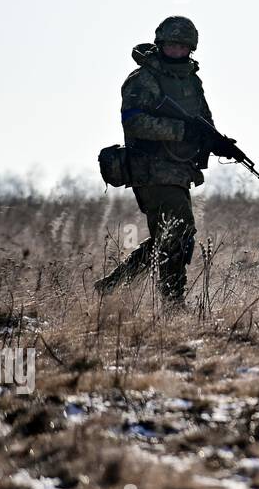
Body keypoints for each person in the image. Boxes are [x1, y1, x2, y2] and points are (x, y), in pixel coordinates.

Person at [95, 16, 240, 302]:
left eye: (182, 46)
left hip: (178, 171)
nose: (176, 50)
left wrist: (218, 143)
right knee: (177, 233)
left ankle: (113, 286)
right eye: (171, 44)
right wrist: (181, 131)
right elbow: (135, 122)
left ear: (191, 49)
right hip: (150, 170)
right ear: (161, 43)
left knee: (173, 235)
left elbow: (203, 123)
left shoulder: (191, 81)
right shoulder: (143, 79)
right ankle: (172, 303)